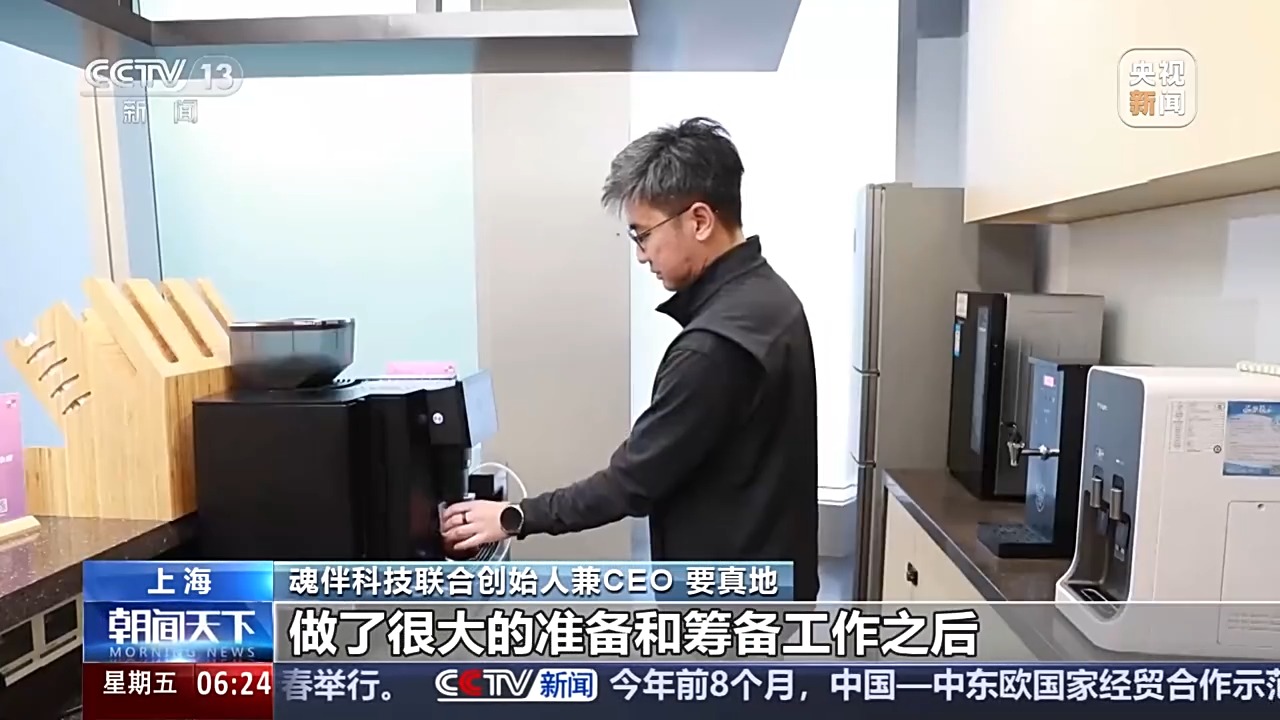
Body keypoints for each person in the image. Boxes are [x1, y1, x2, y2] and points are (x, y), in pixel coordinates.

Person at [440, 117, 819, 601]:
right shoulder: (771, 299)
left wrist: (514, 517)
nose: (641, 255)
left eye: (643, 234)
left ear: (699, 221)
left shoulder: (714, 346)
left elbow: (632, 482)